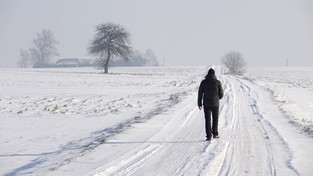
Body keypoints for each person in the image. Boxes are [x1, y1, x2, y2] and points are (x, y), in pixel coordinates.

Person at [198, 68, 223, 141]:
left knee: (207, 120)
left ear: (207, 74)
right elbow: (221, 94)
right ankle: (215, 134)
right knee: (215, 119)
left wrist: (199, 103)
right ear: (214, 74)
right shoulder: (218, 82)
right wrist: (217, 98)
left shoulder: (203, 82)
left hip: (206, 104)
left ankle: (209, 136)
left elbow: (200, 93)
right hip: (215, 104)